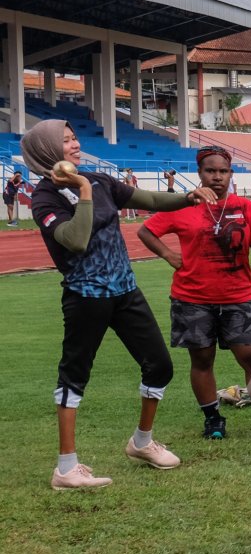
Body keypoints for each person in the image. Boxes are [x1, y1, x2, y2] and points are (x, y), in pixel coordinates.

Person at [22, 118, 220, 489]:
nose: (75, 145)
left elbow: (149, 200)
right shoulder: (45, 198)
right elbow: (76, 240)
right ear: (48, 152)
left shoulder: (100, 180)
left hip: (125, 291)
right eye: (65, 142)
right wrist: (81, 187)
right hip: (85, 297)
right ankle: (66, 468)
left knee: (160, 366)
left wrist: (188, 197)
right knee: (75, 375)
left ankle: (142, 442)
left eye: (74, 137)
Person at [136, 146, 251, 441]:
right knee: (202, 359)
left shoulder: (245, 206)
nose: (217, 177)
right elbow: (146, 231)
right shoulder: (183, 206)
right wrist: (168, 255)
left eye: (223, 171)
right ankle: (213, 419)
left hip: (237, 295)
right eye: (210, 171)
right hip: (192, 297)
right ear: (200, 174)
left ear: (230, 174)